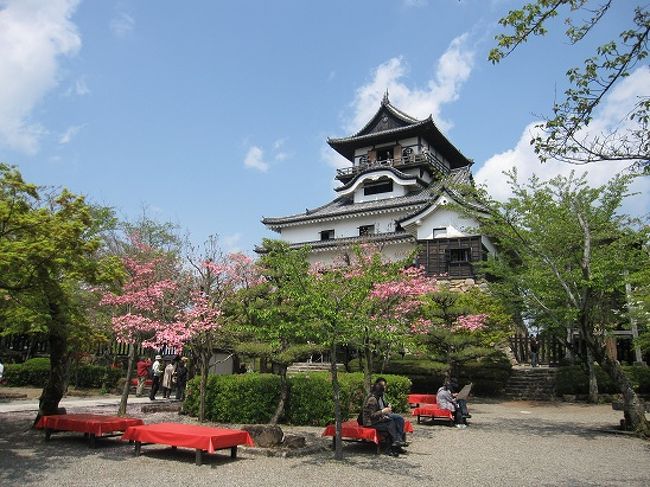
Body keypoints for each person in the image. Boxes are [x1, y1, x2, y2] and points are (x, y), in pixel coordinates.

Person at [362, 380, 408, 456]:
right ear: (378, 392)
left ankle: (394, 447)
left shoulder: (376, 397)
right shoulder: (372, 399)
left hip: (375, 421)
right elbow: (372, 415)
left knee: (392, 422)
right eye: (381, 392)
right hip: (369, 423)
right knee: (390, 424)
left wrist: (384, 413)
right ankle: (395, 444)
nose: (382, 394)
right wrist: (383, 411)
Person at [374, 377, 407, 443]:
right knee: (396, 420)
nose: (384, 387)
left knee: (399, 419)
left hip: (385, 413)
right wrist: (383, 411)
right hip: (379, 416)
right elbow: (373, 413)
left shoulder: (382, 395)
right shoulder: (373, 397)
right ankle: (398, 440)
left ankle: (399, 440)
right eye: (383, 385)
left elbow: (384, 404)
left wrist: (388, 406)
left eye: (385, 385)